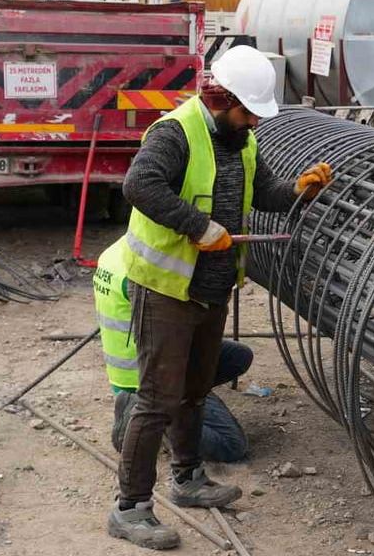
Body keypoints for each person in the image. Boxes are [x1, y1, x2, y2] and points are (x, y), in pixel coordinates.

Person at [105, 45, 332, 550]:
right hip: (168, 288)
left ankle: (188, 480)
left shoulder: (240, 138)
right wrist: (199, 226)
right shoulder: (175, 134)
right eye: (247, 110)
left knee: (194, 391)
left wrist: (301, 190)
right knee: (157, 399)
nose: (253, 120)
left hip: (211, 288)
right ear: (220, 98)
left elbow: (266, 192)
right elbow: (138, 185)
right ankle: (130, 508)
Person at [94, 240, 253, 464]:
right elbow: (177, 337)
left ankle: (148, 407)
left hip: (133, 363)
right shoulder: (150, 273)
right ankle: (156, 420)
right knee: (231, 445)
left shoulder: (116, 251)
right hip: (151, 376)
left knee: (238, 357)